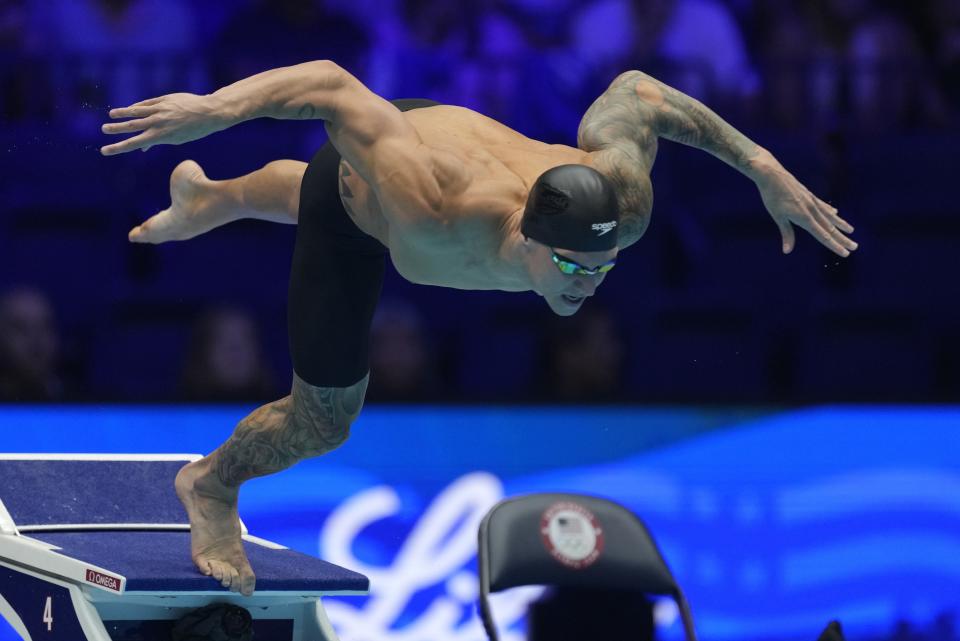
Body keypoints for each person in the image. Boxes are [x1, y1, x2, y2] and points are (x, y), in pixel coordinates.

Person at [100, 59, 857, 595]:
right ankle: (210, 484)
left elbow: (639, 93)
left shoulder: (621, 201)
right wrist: (210, 109)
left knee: (359, 204)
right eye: (569, 268)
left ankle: (210, 201)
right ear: (528, 237)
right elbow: (329, 84)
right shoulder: (431, 198)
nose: (587, 284)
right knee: (324, 417)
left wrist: (762, 165)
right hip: (382, 182)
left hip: (417, 180)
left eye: (602, 267)